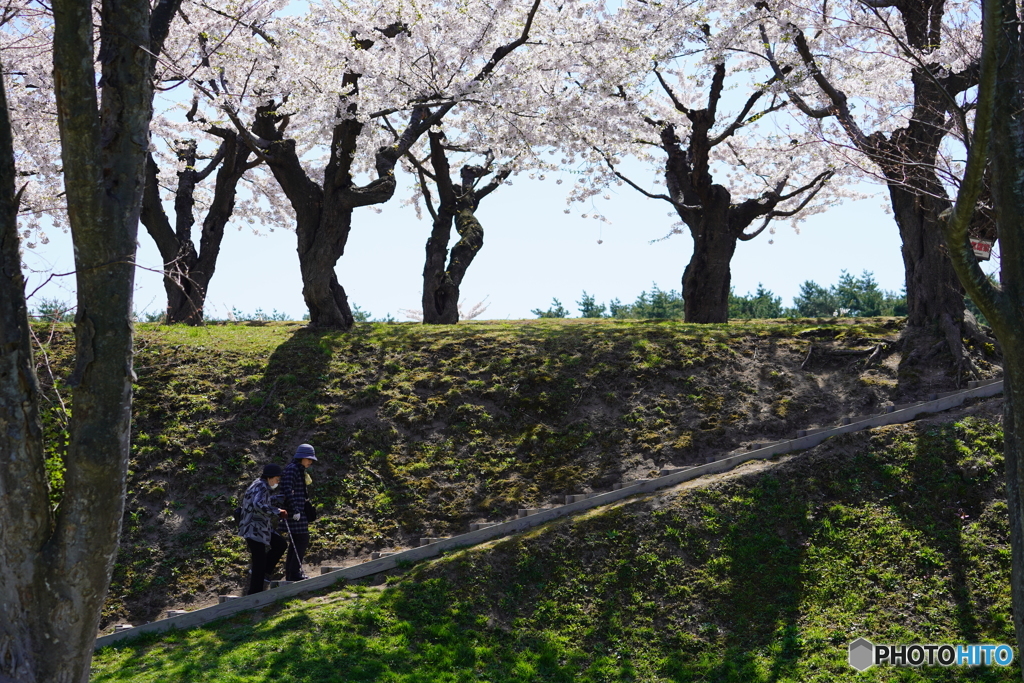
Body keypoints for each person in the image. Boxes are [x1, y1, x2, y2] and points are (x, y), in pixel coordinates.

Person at [238, 463, 288, 595]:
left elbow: (261, 500)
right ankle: (255, 593)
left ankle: (264, 573)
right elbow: (258, 504)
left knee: (280, 544)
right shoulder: (261, 486)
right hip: (254, 528)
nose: (278, 482)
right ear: (270, 477)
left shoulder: (259, 484)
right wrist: (277, 511)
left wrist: (278, 499)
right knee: (259, 560)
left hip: (260, 527)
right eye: (277, 479)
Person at [281, 443, 317, 581]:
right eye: (308, 459)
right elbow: (286, 490)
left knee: (297, 541)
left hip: (298, 510)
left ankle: (291, 573)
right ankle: (294, 573)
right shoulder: (292, 469)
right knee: (301, 540)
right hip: (294, 511)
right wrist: (295, 509)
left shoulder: (298, 469)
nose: (310, 462)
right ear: (301, 457)